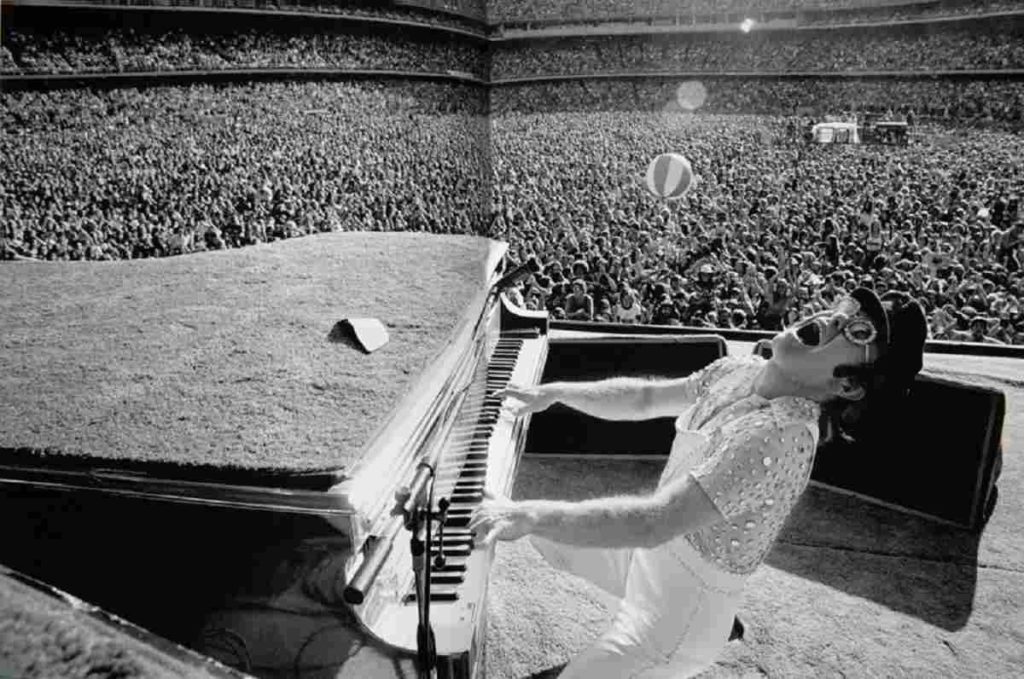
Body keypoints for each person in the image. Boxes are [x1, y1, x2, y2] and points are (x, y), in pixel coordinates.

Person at [470, 288, 927, 679]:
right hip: (650, 559)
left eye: (859, 332)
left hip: (675, 616)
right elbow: (646, 397)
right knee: (552, 540)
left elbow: (654, 522)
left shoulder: (780, 437)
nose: (834, 318)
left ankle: (710, 620)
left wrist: (521, 512)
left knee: (542, 525)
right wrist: (557, 393)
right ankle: (719, 613)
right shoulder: (741, 370)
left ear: (849, 387)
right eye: (845, 308)